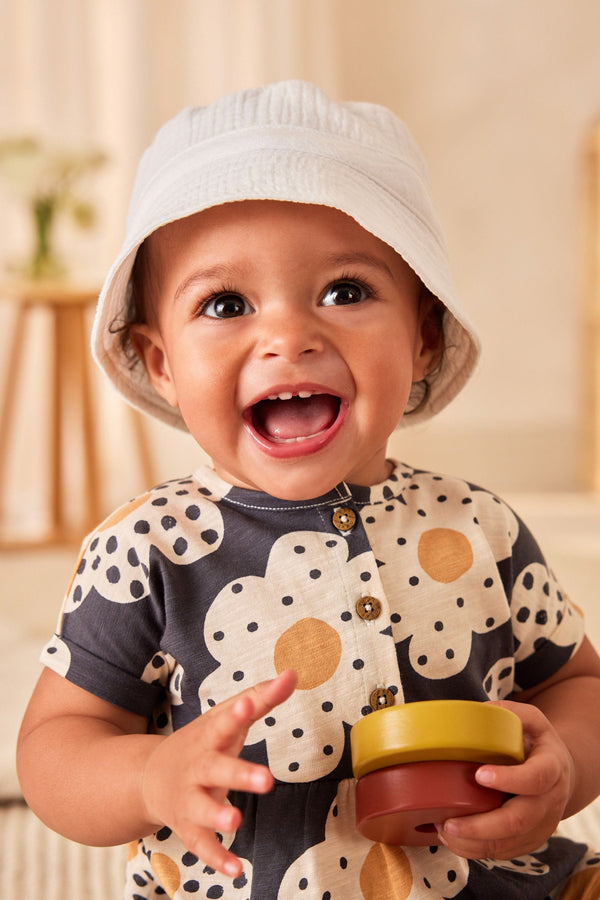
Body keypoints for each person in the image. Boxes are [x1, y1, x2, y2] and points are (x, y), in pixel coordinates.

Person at [17, 80, 600, 899]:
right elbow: (53, 749)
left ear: (424, 336)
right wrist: (150, 777)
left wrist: (563, 767)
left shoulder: (481, 528)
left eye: (345, 292)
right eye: (225, 304)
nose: (289, 336)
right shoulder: (149, 550)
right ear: (161, 364)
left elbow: (578, 686)